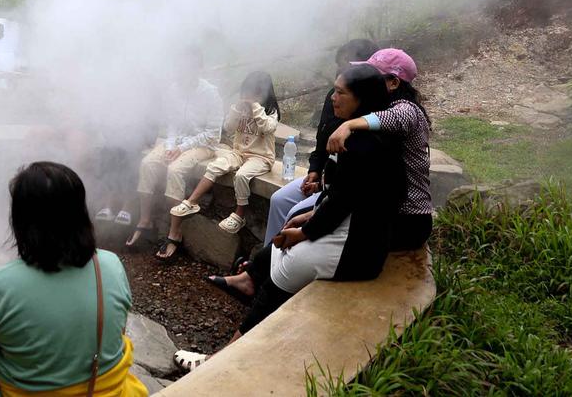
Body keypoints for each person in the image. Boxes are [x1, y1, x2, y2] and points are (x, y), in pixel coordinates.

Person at [179, 64, 405, 371]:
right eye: (333, 90)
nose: (333, 98)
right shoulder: (363, 136)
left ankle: (220, 363)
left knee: (288, 265)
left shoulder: (363, 145)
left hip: (357, 249)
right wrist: (310, 216)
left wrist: (306, 231)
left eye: (341, 93)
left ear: (362, 99)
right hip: (350, 230)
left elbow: (343, 204)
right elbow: (344, 198)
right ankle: (248, 282)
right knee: (281, 239)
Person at [0, 162, 146, 396]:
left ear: (21, 220)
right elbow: (116, 335)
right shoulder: (110, 265)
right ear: (80, 213)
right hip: (108, 391)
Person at [264, 39, 379, 245]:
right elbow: (321, 142)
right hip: (324, 178)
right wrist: (314, 170)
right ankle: (268, 255)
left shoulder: (371, 116)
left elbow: (347, 185)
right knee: (279, 200)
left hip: (338, 189)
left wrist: (322, 183)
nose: (341, 70)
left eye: (348, 65)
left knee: (294, 212)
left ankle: (277, 264)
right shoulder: (333, 98)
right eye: (340, 64)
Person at [326, 48, 433, 250]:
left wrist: (348, 125)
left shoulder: (407, 109)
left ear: (394, 82)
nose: (367, 80)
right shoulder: (380, 108)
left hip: (408, 219)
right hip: (389, 214)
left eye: (374, 76)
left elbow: (394, 118)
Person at [126, 48, 223, 256]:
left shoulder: (210, 93)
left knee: (175, 170)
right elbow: (171, 124)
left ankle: (175, 232)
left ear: (198, 68)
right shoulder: (173, 89)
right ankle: (145, 219)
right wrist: (171, 146)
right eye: (180, 67)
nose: (183, 72)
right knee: (148, 163)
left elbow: (214, 133)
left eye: (188, 67)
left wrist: (182, 148)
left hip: (203, 144)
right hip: (177, 141)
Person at [167, 71, 281, 239]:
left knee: (241, 176)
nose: (248, 97)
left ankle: (239, 214)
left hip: (261, 157)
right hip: (239, 152)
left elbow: (267, 128)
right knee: (215, 166)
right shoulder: (242, 110)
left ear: (264, 93)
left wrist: (255, 107)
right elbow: (228, 127)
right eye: (246, 93)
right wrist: (236, 109)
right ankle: (192, 202)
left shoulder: (271, 112)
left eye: (253, 94)